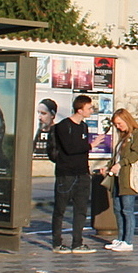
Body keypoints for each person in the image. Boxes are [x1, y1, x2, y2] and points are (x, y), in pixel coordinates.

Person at [50, 95, 103, 254]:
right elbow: (70, 148)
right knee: (60, 209)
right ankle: (57, 242)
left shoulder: (84, 127)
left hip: (82, 173)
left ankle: (77, 242)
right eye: (89, 108)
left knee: (81, 210)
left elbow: (80, 149)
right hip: (66, 174)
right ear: (80, 110)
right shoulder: (63, 126)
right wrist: (91, 145)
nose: (91, 110)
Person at [100, 108, 138, 252]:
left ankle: (128, 241)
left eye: (119, 123)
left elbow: (135, 154)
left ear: (126, 120)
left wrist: (121, 164)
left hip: (128, 178)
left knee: (127, 210)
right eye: (116, 124)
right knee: (118, 210)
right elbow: (116, 157)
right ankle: (120, 238)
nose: (118, 127)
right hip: (117, 178)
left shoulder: (137, 135)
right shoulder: (123, 136)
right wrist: (108, 167)